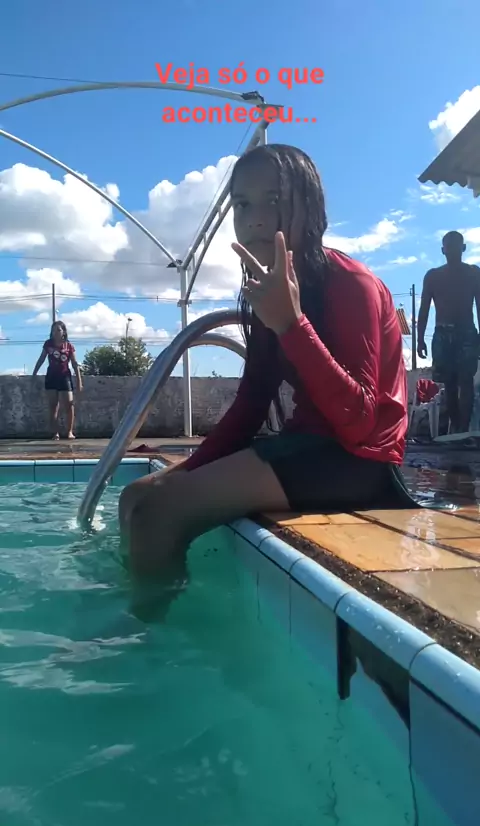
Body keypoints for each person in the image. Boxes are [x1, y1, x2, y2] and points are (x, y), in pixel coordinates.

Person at [119, 143, 414, 582]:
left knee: (158, 512)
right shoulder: (264, 288)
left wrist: (291, 324)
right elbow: (252, 401)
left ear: (310, 208)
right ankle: (145, 600)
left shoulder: (351, 283)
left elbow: (361, 424)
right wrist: (186, 470)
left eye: (273, 200)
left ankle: (148, 622)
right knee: (136, 496)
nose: (255, 218)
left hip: (360, 462)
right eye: (242, 204)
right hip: (304, 445)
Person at [417, 231, 480, 433]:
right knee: (449, 382)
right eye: (449, 247)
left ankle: (463, 429)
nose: (452, 251)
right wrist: (420, 339)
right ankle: (456, 429)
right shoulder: (433, 276)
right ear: (443, 250)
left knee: (466, 380)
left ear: (463, 248)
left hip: (466, 332)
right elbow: (424, 309)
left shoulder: (473, 273)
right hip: (442, 334)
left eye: (456, 246)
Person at [33, 321, 83, 440]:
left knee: (69, 404)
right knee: (53, 405)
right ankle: (55, 432)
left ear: (63, 332)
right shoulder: (48, 344)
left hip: (65, 376)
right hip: (51, 376)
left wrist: (79, 381)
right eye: (54, 330)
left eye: (58, 330)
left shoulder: (69, 346)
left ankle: (69, 431)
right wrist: (34, 373)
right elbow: (41, 359)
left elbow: (75, 364)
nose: (56, 332)